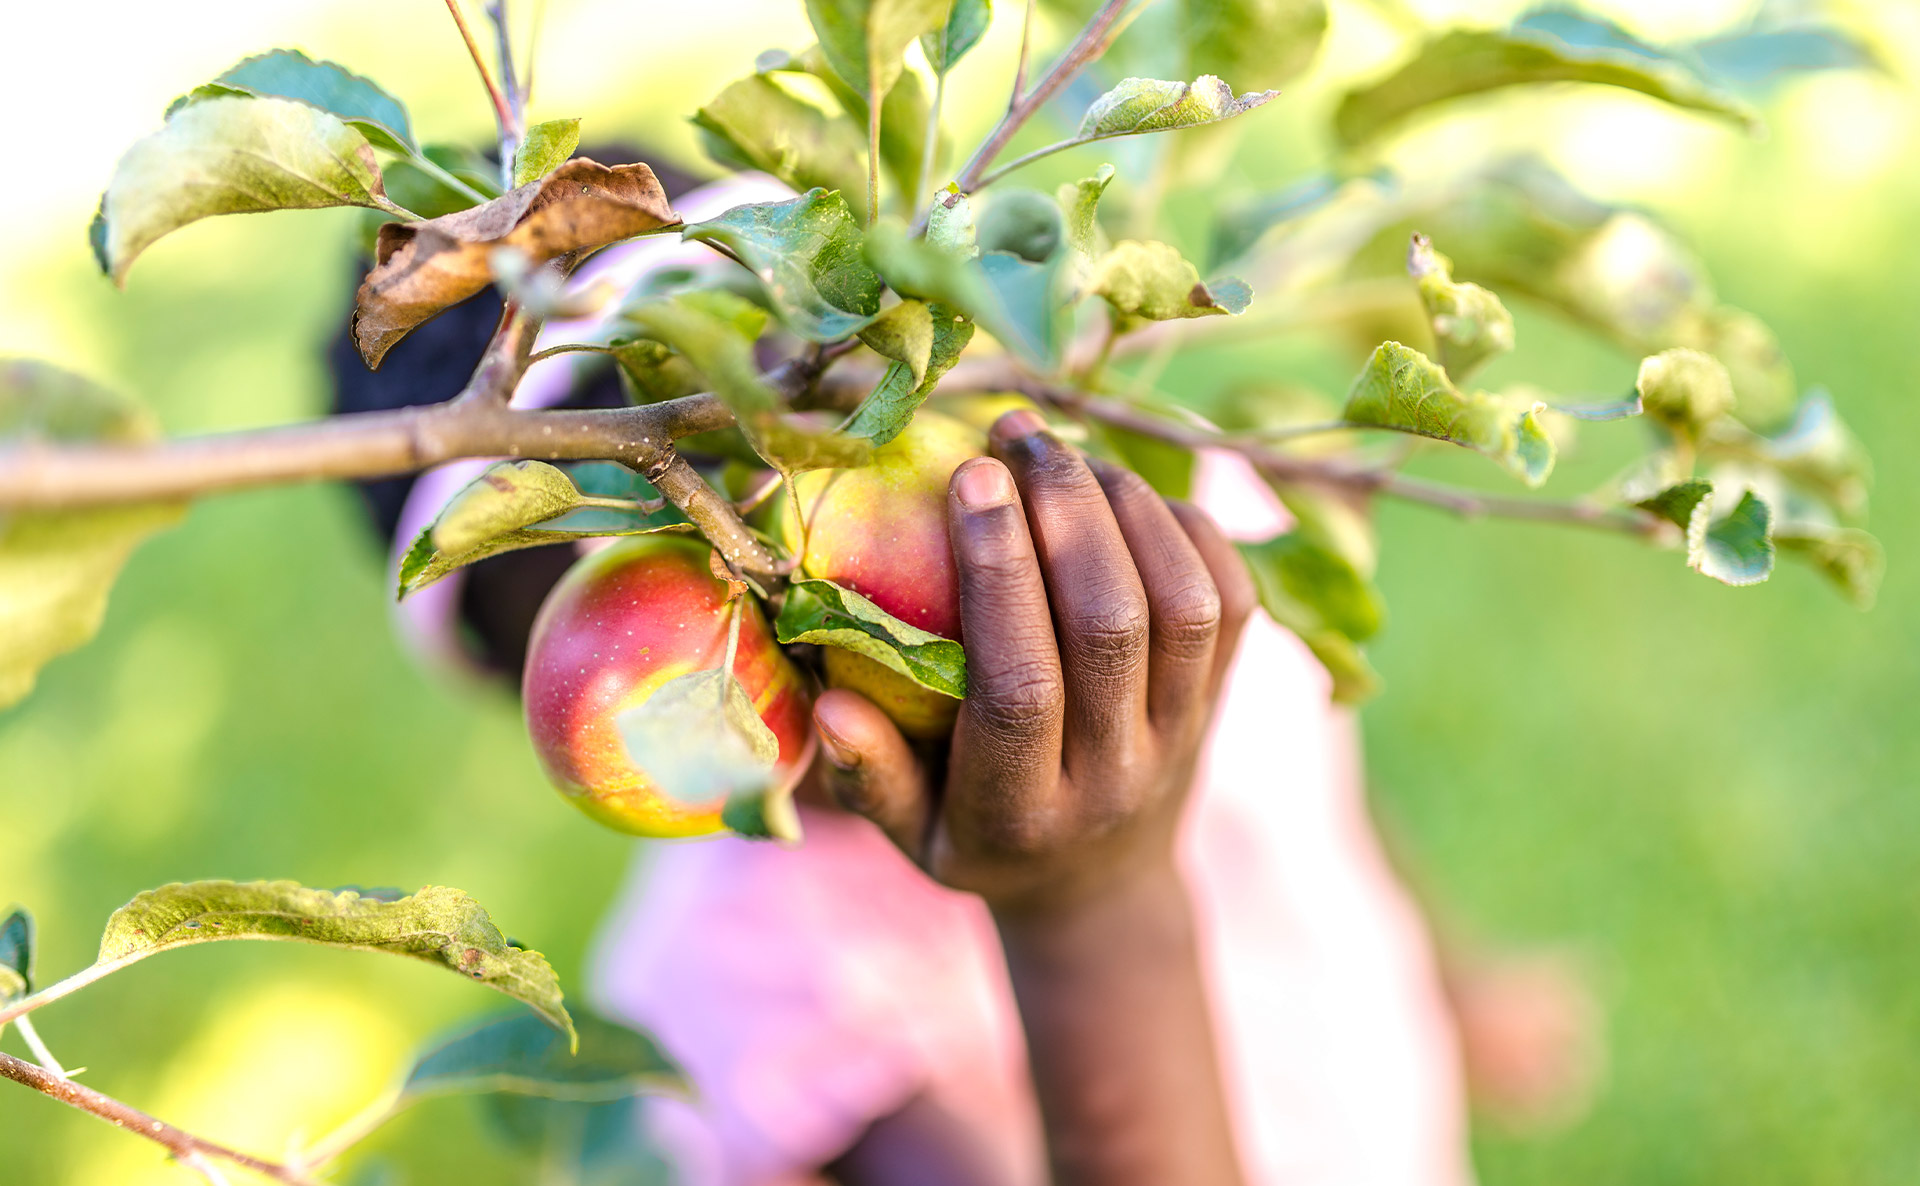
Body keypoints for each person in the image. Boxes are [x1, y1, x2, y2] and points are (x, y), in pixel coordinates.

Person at [333, 167, 1596, 1186]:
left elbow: (1310, 791)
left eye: (777, 460)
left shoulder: (1142, 571)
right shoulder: (754, 994)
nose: (790, 588)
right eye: (644, 565)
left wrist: (1455, 984)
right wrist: (1083, 909)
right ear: (525, 674)